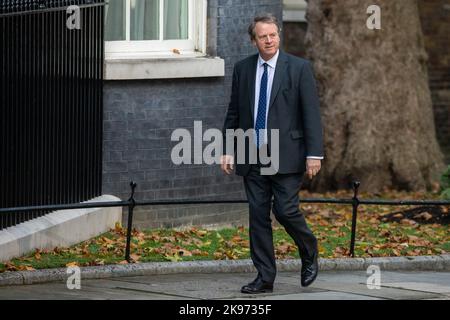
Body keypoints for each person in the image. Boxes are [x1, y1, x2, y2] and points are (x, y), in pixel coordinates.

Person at [220, 13, 324, 294]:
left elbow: (311, 113)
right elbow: (234, 112)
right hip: (251, 155)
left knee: (286, 210)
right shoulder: (243, 69)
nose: (269, 40)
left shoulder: (299, 68)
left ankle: (309, 250)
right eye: (263, 36)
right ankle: (265, 277)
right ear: (254, 40)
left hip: (287, 155)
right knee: (258, 216)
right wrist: (229, 149)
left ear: (279, 36)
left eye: (273, 35)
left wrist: (314, 154)